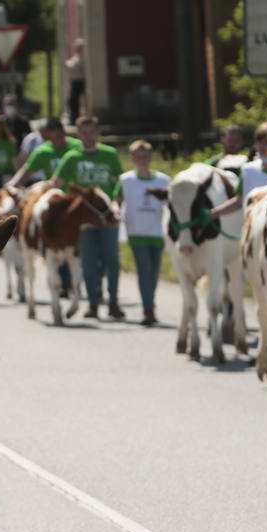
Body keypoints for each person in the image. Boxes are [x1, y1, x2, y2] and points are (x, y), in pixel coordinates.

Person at [52, 117, 124, 320]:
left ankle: (114, 301)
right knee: (89, 262)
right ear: (78, 135)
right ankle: (93, 303)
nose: (88, 136)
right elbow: (57, 182)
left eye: (91, 132)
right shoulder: (72, 157)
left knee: (112, 260)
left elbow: (120, 181)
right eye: (83, 133)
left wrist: (117, 203)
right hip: (84, 220)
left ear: (98, 132)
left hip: (108, 216)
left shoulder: (110, 154)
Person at [117, 141, 170, 326]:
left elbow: (172, 204)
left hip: (157, 232)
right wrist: (118, 213)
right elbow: (117, 200)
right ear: (132, 159)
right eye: (138, 157)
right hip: (136, 231)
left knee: (154, 272)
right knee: (144, 270)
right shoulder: (126, 180)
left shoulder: (164, 180)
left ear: (151, 158)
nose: (142, 160)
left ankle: (150, 302)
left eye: (145, 157)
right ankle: (148, 309)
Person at [64, 38, 86, 121]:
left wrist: (68, 64)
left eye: (78, 46)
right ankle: (73, 117)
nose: (76, 48)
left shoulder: (83, 57)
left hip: (79, 81)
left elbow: (74, 66)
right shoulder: (76, 56)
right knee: (71, 101)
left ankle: (75, 118)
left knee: (75, 101)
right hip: (74, 81)